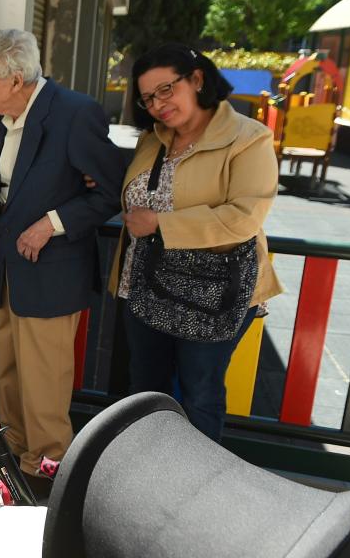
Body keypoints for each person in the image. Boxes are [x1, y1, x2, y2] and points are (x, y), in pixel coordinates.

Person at [0, 28, 125, 496]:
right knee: (12, 377)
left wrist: (52, 223)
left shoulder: (75, 114)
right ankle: (13, 459)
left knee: (46, 391)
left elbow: (113, 191)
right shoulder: (7, 115)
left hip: (54, 274)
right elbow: (13, 193)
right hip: (16, 270)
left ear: (16, 79)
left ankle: (51, 486)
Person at [108, 43, 282, 441]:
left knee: (199, 392)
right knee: (145, 390)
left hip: (213, 293)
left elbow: (244, 218)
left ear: (197, 79)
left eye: (166, 89)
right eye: (148, 97)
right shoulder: (153, 139)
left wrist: (161, 224)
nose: (157, 104)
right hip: (145, 285)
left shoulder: (248, 139)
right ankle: (144, 473)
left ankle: (194, 488)